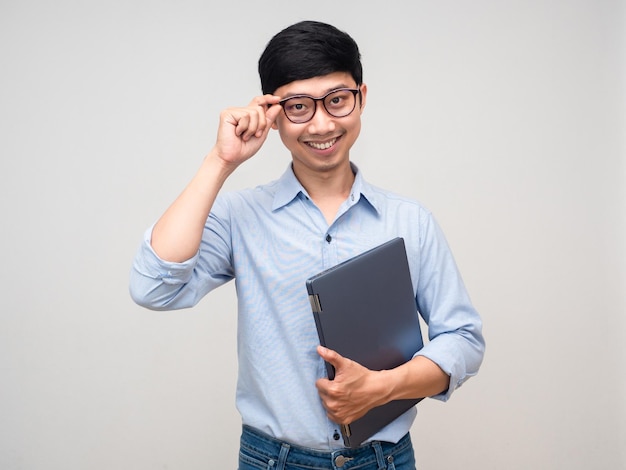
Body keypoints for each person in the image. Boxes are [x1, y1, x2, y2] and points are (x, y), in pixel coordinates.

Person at [130, 20, 485, 470]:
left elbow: (463, 338)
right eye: (298, 106)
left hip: (383, 459)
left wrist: (384, 387)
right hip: (272, 460)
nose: (321, 124)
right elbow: (154, 286)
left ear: (362, 98)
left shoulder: (409, 221)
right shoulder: (241, 217)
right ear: (273, 114)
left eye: (337, 100)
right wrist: (220, 161)